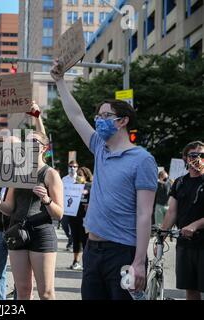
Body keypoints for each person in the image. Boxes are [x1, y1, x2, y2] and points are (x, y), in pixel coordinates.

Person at [51, 59, 158, 300]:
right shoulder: (100, 148)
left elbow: (144, 214)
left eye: (106, 115)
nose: (99, 120)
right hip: (93, 250)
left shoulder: (142, 160)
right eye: (98, 116)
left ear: (123, 121)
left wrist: (139, 262)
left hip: (122, 253)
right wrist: (59, 81)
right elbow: (76, 116)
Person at [0, 130, 64, 300]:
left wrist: (46, 199)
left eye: (34, 143)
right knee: (23, 290)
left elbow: (59, 214)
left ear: (44, 148)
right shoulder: (18, 172)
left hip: (41, 233)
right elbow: (9, 208)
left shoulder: (51, 174)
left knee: (46, 293)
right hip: (17, 233)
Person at [160, 141, 204, 300]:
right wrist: (162, 235)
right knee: (191, 290)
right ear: (185, 158)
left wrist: (196, 225)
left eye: (202, 155)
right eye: (193, 155)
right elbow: (172, 211)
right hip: (185, 243)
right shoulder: (179, 182)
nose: (198, 159)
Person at [68, 167, 92, 271]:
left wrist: (89, 206)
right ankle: (75, 261)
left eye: (80, 174)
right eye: (77, 174)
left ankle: (86, 262)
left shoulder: (90, 186)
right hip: (74, 217)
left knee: (85, 241)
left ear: (86, 175)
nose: (78, 176)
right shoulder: (73, 186)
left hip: (85, 218)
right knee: (75, 239)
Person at [61, 160, 78, 251]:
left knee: (74, 226)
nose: (72, 168)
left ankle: (71, 242)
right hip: (66, 206)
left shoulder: (80, 179)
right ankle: (70, 238)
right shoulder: (64, 179)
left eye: (74, 167)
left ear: (77, 168)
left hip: (76, 207)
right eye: (71, 166)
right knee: (64, 225)